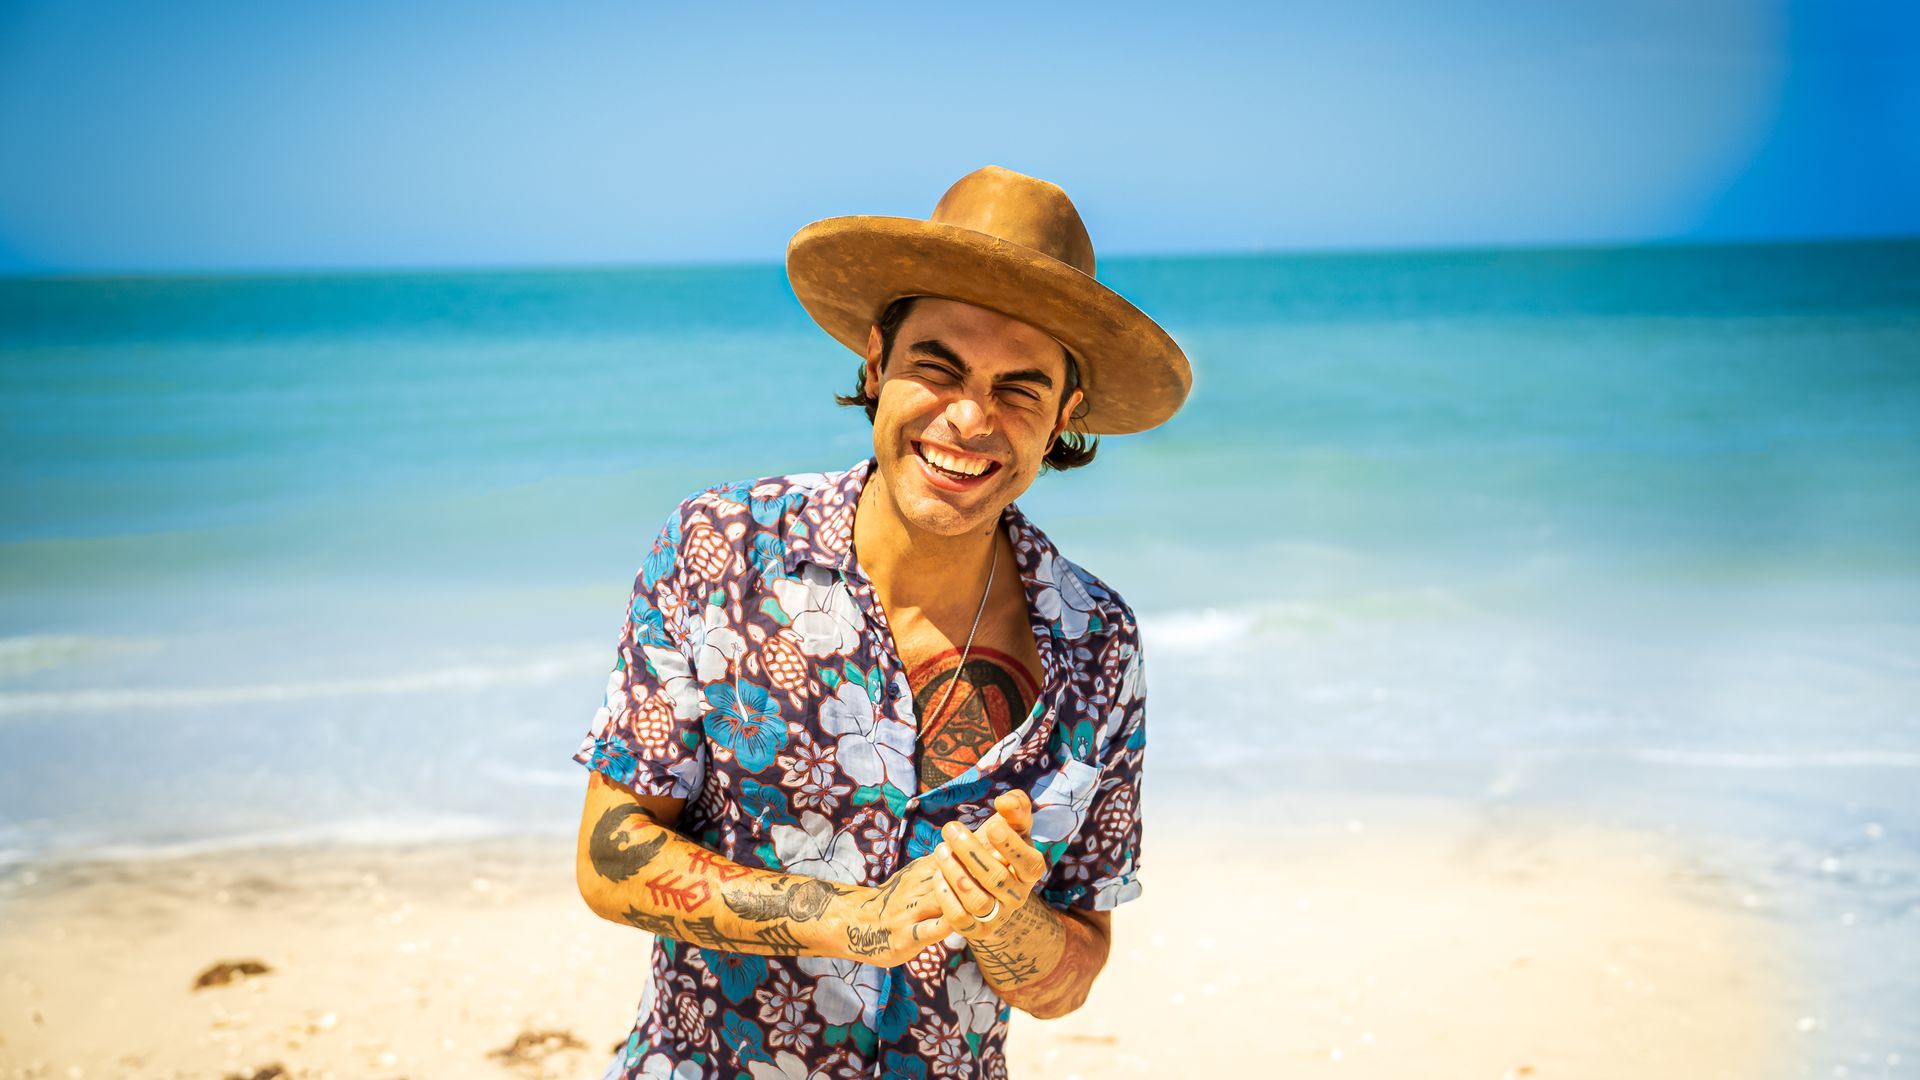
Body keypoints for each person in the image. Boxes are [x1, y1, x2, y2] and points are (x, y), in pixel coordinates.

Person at [571, 164, 1192, 1080]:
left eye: (1021, 389)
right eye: (937, 367)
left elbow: (1069, 979)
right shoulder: (723, 549)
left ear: (1066, 415)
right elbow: (609, 857)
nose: (971, 418)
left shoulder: (1099, 643)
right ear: (876, 361)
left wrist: (1002, 909)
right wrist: (859, 921)